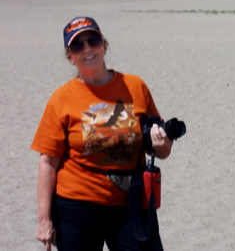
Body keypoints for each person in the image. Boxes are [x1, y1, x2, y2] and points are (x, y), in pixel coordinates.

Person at [32, 17, 173, 251]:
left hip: (131, 202)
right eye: (77, 45)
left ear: (104, 46)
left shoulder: (135, 86)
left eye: (93, 40)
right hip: (76, 206)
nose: (87, 48)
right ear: (70, 57)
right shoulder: (61, 99)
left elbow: (161, 150)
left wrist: (162, 144)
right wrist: (44, 220)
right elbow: (47, 162)